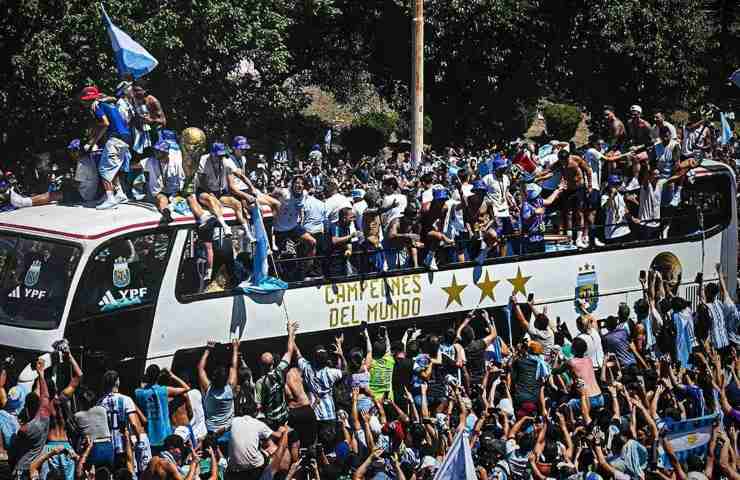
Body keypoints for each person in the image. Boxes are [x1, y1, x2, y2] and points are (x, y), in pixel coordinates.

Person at [79, 85, 131, 210]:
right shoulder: (106, 102)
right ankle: (119, 194)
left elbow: (105, 123)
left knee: (104, 168)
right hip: (126, 137)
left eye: (84, 100)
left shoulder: (96, 105)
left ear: (87, 99)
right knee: (114, 167)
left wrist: (92, 142)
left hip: (116, 138)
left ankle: (110, 198)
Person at [10, 139, 100, 208]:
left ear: (78, 151)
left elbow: (76, 184)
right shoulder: (88, 159)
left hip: (83, 195)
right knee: (57, 191)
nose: (71, 153)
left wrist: (66, 180)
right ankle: (28, 200)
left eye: (73, 151)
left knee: (52, 195)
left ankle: (23, 202)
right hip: (89, 193)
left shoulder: (82, 163)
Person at [542, 149, 594, 248]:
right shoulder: (559, 163)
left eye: (564, 161)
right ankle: (569, 238)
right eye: (561, 161)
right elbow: (549, 170)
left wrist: (590, 185)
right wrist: (536, 176)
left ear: (568, 158)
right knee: (568, 213)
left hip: (579, 188)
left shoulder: (576, 159)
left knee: (579, 213)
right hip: (568, 189)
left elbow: (588, 170)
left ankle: (579, 237)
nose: (563, 163)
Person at [135, 365, 190, 454]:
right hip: (166, 436)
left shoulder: (139, 393)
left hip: (150, 436)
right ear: (158, 376)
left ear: (147, 376)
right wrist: (172, 375)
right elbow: (187, 388)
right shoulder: (165, 390)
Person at [254, 321, 297, 430]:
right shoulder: (280, 371)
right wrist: (290, 333)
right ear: (273, 362)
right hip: (284, 417)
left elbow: (258, 405)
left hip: (271, 421)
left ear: (261, 365)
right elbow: (289, 352)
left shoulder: (259, 383)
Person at [197, 339, 240, 438]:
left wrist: (207, 350)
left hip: (211, 431)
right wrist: (235, 348)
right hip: (228, 430)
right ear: (226, 380)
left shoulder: (208, 389)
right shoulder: (230, 388)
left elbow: (200, 368)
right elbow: (234, 367)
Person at [141, 139, 185, 223]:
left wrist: (180, 192)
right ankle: (166, 213)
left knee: (175, 201)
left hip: (174, 192)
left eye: (159, 151)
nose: (156, 152)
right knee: (161, 199)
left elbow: (181, 178)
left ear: (166, 153)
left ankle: (168, 210)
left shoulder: (176, 162)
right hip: (159, 192)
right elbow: (136, 166)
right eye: (155, 150)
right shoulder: (150, 161)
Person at [519, 182, 563, 254]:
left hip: (540, 237)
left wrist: (557, 190)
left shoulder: (539, 201)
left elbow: (549, 201)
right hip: (530, 240)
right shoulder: (526, 205)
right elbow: (525, 219)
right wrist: (534, 213)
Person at [603, 175, 632, 244]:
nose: (617, 186)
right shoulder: (604, 196)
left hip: (624, 230)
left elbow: (625, 210)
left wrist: (632, 218)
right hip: (612, 233)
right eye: (615, 184)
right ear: (610, 185)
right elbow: (605, 207)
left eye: (618, 184)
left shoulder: (620, 195)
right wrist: (612, 195)